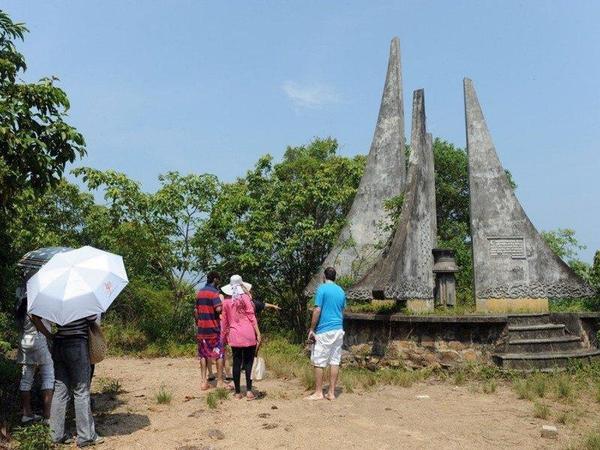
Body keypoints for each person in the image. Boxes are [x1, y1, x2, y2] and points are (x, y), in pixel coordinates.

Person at [32, 314, 103, 447]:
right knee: (81, 391)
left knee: (59, 391)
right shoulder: (82, 297)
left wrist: (49, 335)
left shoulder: (55, 299)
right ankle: (86, 436)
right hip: (78, 344)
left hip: (59, 345)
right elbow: (93, 320)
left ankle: (56, 435)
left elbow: (35, 317)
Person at [306, 266, 346, 401]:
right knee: (335, 361)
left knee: (319, 361)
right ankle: (331, 393)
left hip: (325, 330)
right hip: (338, 329)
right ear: (335, 277)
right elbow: (341, 311)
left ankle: (318, 392)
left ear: (324, 277)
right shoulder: (341, 291)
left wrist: (312, 328)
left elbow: (317, 310)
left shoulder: (322, 289)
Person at [220, 275, 261, 400]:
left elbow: (224, 322)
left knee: (236, 363)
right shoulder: (246, 298)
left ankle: (237, 392)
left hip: (235, 335)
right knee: (249, 363)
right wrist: (258, 333)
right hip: (248, 333)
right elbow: (252, 316)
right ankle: (249, 391)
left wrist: (223, 337)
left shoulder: (226, 302)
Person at [15, 295, 54, 424]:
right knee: (48, 375)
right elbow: (36, 319)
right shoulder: (35, 305)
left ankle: (27, 414)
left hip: (25, 341)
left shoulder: (21, 305)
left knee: (26, 378)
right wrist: (49, 335)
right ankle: (47, 416)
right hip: (38, 340)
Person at [195, 271, 226, 390]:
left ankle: (203, 382)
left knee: (203, 355)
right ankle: (219, 382)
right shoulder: (214, 293)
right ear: (215, 279)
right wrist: (223, 307)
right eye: (219, 279)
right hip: (214, 329)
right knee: (219, 355)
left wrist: (199, 323)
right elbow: (218, 309)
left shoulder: (199, 293)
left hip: (202, 330)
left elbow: (196, 312)